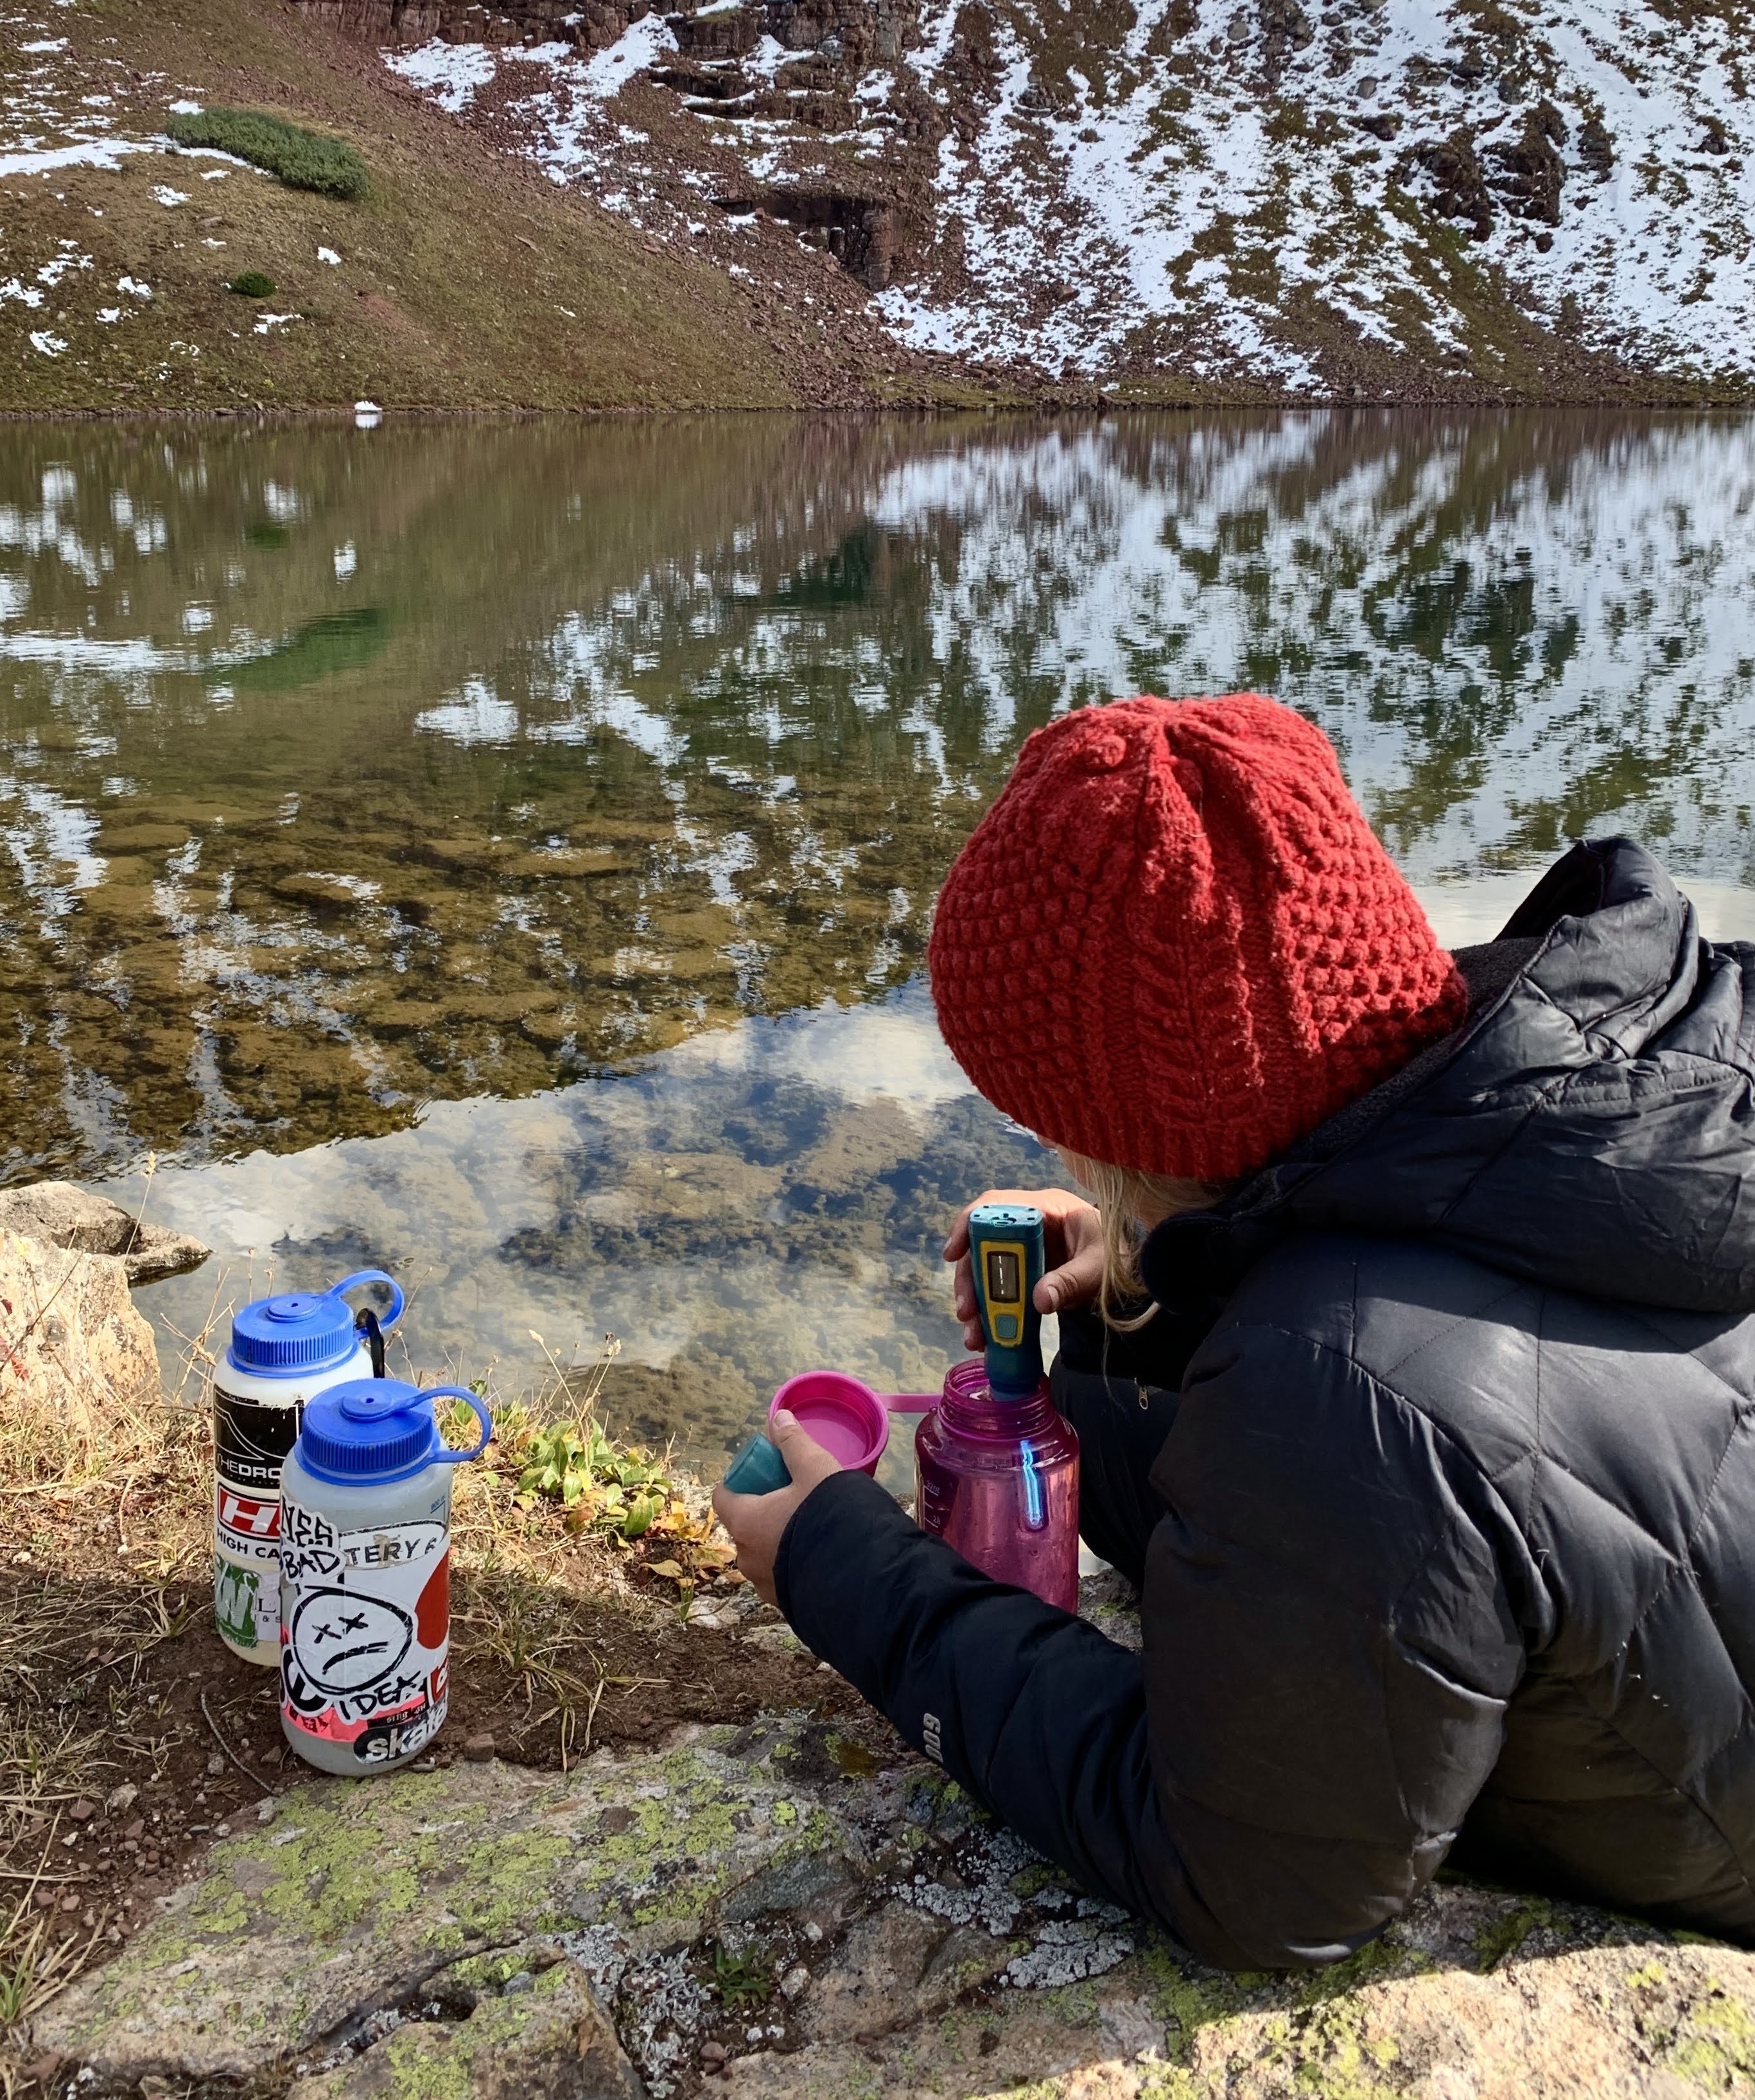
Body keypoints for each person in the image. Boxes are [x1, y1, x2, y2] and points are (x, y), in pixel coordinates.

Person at [713, 693, 1755, 1968]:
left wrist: (838, 1567)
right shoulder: (1611, 1094)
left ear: (1122, 1124)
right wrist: (1168, 1292)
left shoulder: (1340, 1391)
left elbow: (1253, 1880)